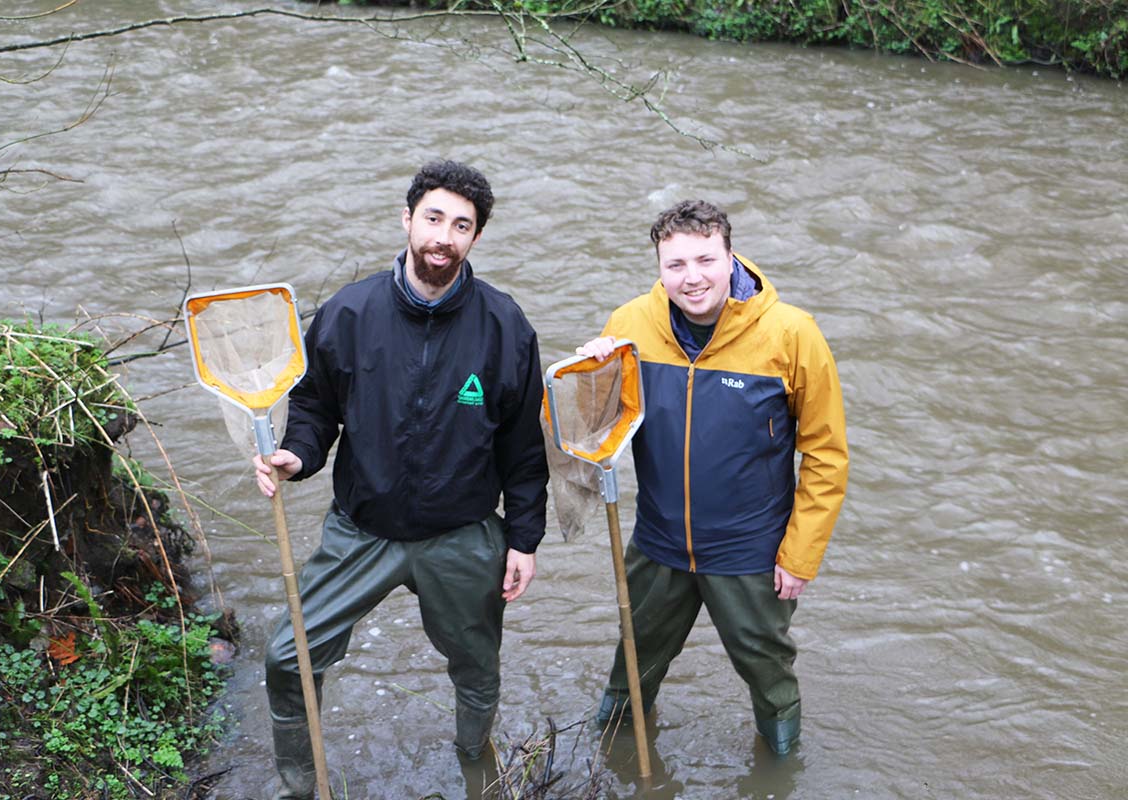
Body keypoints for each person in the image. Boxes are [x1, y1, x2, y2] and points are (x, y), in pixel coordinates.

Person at [253, 160, 549, 798]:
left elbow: (525, 446)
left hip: (462, 535)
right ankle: (303, 784)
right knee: (287, 659)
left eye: (461, 225)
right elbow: (313, 410)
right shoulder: (348, 313)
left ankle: (475, 761)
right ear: (407, 218)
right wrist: (296, 457)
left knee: (477, 669)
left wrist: (523, 540)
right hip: (362, 530)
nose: (444, 235)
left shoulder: (505, 326)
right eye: (434, 217)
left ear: (476, 238)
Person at [577, 199, 848, 756]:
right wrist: (592, 375)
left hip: (751, 551)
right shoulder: (628, 325)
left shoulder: (793, 335)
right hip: (658, 543)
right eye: (675, 264)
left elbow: (826, 456)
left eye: (705, 260)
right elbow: (592, 438)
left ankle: (779, 768)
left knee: (768, 674)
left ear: (731, 258)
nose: (691, 277)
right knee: (631, 665)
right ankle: (609, 758)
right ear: (658, 266)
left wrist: (799, 557)